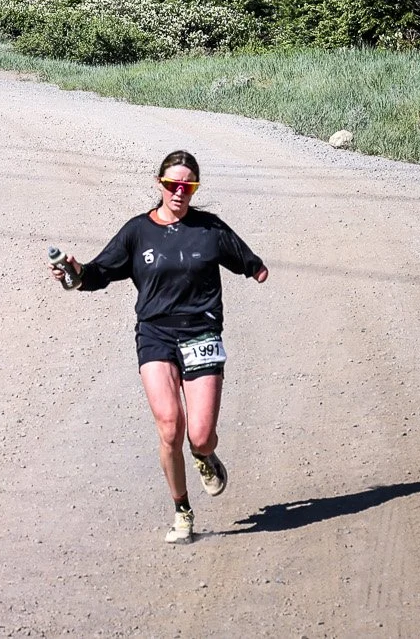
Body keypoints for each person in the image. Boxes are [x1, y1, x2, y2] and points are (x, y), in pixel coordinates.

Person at [52, 150, 268, 545]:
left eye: (188, 186)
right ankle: (182, 510)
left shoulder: (210, 229)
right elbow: (100, 272)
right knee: (170, 426)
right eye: (173, 185)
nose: (179, 192)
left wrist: (256, 270)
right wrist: (75, 273)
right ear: (160, 185)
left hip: (202, 335)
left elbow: (247, 259)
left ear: (195, 188)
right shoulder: (138, 231)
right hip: (155, 334)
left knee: (200, 436)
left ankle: (204, 457)